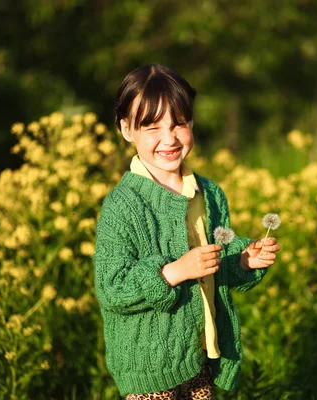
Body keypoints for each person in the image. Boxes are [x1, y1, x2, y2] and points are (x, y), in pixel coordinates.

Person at [93, 64, 281, 399]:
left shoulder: (209, 194)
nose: (170, 138)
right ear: (126, 130)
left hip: (199, 354)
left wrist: (243, 260)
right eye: (152, 127)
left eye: (179, 123)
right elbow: (112, 288)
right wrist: (175, 272)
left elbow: (216, 260)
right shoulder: (122, 205)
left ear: (191, 122)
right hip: (149, 365)